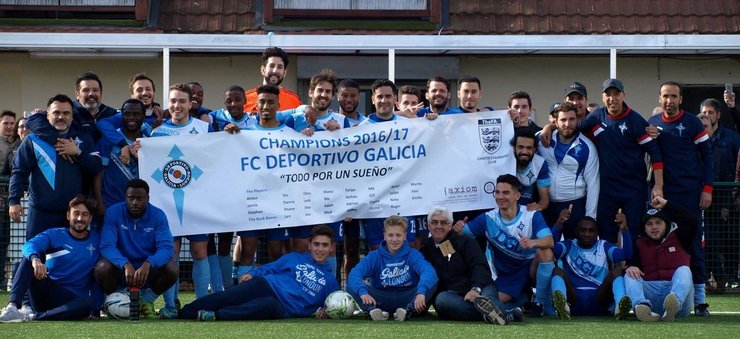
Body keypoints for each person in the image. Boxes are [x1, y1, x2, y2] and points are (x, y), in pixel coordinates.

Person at [544, 79, 664, 244]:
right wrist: (549, 127)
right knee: (606, 232)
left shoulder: (636, 121)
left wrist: (658, 185)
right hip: (607, 190)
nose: (612, 98)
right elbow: (569, 126)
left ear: (624, 95)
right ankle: (609, 269)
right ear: (602, 97)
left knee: (633, 231)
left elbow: (655, 154)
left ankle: (631, 268)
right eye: (608, 94)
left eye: (616, 94)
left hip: (633, 189)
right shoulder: (596, 116)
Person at [178, 225, 339, 321]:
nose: (320, 249)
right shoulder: (294, 258)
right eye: (316, 244)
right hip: (266, 285)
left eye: (325, 245)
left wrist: (327, 309)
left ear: (331, 247)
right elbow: (271, 268)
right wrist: (254, 274)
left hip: (282, 308)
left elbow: (336, 303)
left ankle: (216, 315)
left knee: (265, 306)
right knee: (227, 296)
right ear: (309, 245)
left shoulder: (330, 281)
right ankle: (183, 312)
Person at [648, 81, 713, 315]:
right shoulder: (652, 125)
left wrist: (707, 189)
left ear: (681, 99)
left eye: (674, 96)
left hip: (689, 194)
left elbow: (708, 156)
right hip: (663, 195)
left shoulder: (693, 123)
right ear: (659, 98)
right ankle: (662, 296)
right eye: (665, 96)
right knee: (659, 243)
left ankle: (700, 301)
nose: (669, 101)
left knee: (692, 244)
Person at [151, 83, 214, 318]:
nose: (177, 105)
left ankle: (202, 304)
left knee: (200, 252)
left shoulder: (205, 128)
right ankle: (170, 306)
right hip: (168, 203)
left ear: (191, 104)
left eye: (182, 101)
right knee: (171, 253)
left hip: (197, 201)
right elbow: (154, 168)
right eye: (173, 101)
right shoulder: (157, 133)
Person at [453, 174, 554, 317]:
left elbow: (549, 241)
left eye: (506, 192)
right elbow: (462, 234)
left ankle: (540, 304)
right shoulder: (488, 219)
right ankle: (523, 301)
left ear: (517, 195)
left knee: (546, 252)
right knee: (490, 302)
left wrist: (532, 242)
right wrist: (458, 228)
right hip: (508, 275)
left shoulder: (531, 215)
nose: (500, 197)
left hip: (531, 269)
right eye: (497, 192)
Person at [9, 94, 101, 240]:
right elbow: (19, 171)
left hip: (71, 215)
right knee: (33, 258)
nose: (61, 117)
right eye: (56, 113)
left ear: (72, 117)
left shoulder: (84, 139)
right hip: (40, 213)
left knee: (67, 261)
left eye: (66, 113)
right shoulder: (32, 140)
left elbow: (96, 168)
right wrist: (14, 201)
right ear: (47, 116)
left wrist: (77, 152)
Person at [0, 195, 100, 322]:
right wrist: (35, 260)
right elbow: (29, 245)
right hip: (46, 291)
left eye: (85, 214)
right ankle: (12, 307)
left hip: (72, 300)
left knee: (87, 303)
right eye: (76, 213)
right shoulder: (55, 234)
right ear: (68, 215)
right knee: (31, 256)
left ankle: (30, 316)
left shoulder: (97, 240)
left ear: (90, 218)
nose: (80, 218)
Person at [419, 207, 522, 324]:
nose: (438, 226)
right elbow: (425, 279)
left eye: (444, 222)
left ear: (450, 225)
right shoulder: (424, 252)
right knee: (441, 300)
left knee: (487, 298)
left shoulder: (465, 241)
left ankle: (498, 314)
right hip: (454, 295)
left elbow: (479, 266)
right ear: (428, 226)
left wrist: (475, 289)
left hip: (480, 287)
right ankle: (503, 315)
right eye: (434, 222)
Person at [94, 179, 178, 318]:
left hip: (147, 270)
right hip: (121, 268)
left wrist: (149, 263)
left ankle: (146, 301)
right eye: (131, 198)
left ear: (148, 198)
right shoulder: (114, 212)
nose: (134, 202)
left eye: (139, 198)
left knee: (172, 268)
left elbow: (167, 247)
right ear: (125, 197)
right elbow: (107, 246)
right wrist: (124, 264)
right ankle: (116, 300)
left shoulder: (158, 215)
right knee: (102, 267)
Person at [347, 215, 438, 321]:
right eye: (390, 235)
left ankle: (408, 311)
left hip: (407, 298)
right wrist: (362, 292)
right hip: (380, 299)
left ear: (405, 236)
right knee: (350, 286)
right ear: (384, 236)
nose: (394, 239)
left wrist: (421, 291)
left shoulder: (413, 255)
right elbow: (355, 273)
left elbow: (429, 272)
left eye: (398, 235)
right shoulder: (375, 256)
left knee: (432, 282)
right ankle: (372, 311)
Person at [624, 196, 697, 322]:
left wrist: (667, 204)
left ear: (666, 224)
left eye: (658, 222)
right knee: (630, 273)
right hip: (652, 295)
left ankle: (673, 306)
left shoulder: (681, 237)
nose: (654, 227)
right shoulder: (639, 243)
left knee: (684, 269)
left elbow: (692, 221)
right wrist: (632, 266)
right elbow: (632, 263)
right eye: (649, 224)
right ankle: (642, 307)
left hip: (677, 294)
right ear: (644, 227)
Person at [550, 212, 632, 319]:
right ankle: (562, 306)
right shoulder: (569, 245)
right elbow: (550, 248)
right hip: (573, 299)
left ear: (597, 232)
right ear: (576, 232)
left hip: (599, 298)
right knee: (557, 270)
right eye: (583, 230)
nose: (587, 234)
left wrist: (624, 229)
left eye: (591, 230)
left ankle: (620, 307)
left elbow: (627, 255)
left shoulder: (603, 246)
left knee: (617, 271)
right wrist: (558, 224)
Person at [538, 102, 599, 239]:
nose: (567, 124)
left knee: (573, 248)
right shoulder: (542, 139)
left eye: (571, 119)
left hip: (575, 205)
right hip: (548, 204)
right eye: (563, 120)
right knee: (548, 246)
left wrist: (590, 217)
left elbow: (593, 183)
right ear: (556, 121)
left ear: (577, 120)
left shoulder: (587, 147)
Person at [699, 99, 740, 289]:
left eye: (710, 112)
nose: (707, 115)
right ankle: (712, 277)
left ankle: (731, 276)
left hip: (727, 197)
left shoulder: (731, 137)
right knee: (709, 239)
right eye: (704, 112)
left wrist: (729, 199)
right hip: (703, 198)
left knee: (730, 239)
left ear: (718, 115)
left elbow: (733, 168)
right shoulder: (697, 138)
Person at [93, 99, 147, 218]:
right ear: (121, 116)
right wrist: (99, 203)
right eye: (127, 114)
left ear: (144, 116)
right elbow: (98, 173)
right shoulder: (107, 140)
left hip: (140, 207)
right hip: (110, 204)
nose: (131, 117)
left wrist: (140, 159)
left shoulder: (149, 142)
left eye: (136, 114)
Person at [243, 47, 301, 113]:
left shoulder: (294, 101)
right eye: (271, 66)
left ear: (284, 73)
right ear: (263, 70)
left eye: (280, 67)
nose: (275, 71)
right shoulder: (246, 99)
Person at [0, 110, 20, 287]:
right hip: (2, 201)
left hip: (12, 202)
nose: (9, 127)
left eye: (12, 124)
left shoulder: (18, 144)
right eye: (5, 123)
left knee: (9, 243)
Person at [71, 72, 118, 142]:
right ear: (77, 94)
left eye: (95, 90)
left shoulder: (111, 114)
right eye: (86, 90)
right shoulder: (69, 114)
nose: (91, 94)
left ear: (101, 93)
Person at [511, 129, 550, 212]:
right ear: (514, 148)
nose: (524, 151)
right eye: (521, 147)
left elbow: (544, 200)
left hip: (528, 211)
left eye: (529, 148)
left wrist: (537, 207)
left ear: (534, 150)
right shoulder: (504, 163)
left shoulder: (540, 164)